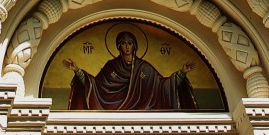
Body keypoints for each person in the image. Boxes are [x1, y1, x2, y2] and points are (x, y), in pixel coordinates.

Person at [62, 30, 197, 111]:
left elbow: (162, 86)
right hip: (112, 115)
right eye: (123, 43)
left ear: (135, 46)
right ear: (118, 46)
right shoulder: (111, 66)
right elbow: (96, 85)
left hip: (144, 115)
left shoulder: (144, 68)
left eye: (130, 43)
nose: (127, 47)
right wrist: (77, 70)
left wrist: (182, 73)